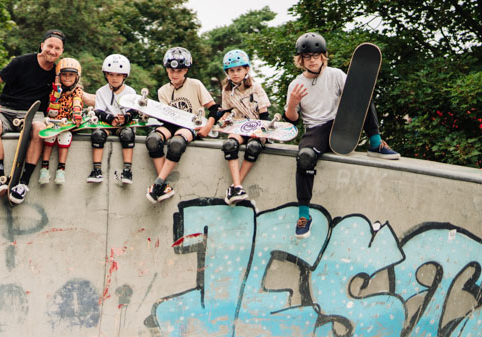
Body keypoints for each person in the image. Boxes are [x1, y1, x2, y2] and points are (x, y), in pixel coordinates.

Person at [285, 32, 400, 237]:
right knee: (304, 158)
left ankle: (375, 143)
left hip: (339, 125)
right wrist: (292, 104)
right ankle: (304, 215)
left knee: (361, 92)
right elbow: (292, 121)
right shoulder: (295, 85)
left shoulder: (335, 74)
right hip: (315, 131)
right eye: (307, 57)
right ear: (300, 60)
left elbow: (355, 97)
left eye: (316, 56)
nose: (312, 60)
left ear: (323, 56)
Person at [0, 30, 65, 204]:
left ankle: (23, 183)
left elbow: (77, 91)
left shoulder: (59, 73)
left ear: (61, 52)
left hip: (33, 114)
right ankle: (0, 178)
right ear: (42, 45)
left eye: (57, 48)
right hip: (6, 110)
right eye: (49, 46)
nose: (52, 51)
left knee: (41, 129)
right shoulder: (22, 62)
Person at [144, 46, 220, 204]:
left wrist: (208, 126)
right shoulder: (163, 91)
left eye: (179, 71)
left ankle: (158, 183)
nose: (175, 74)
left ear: (185, 70)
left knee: (176, 143)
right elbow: (165, 118)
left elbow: (214, 108)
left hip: (191, 125)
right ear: (167, 70)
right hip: (171, 124)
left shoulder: (195, 85)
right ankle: (163, 186)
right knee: (152, 140)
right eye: (171, 71)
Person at [218, 49, 273, 204]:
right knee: (229, 145)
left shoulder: (255, 87)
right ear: (227, 73)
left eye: (239, 70)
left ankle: (235, 186)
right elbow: (226, 110)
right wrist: (223, 118)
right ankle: (237, 187)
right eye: (232, 71)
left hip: (257, 126)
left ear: (246, 70)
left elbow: (264, 113)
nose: (235, 74)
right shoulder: (227, 91)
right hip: (239, 126)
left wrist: (262, 133)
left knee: (253, 147)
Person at [88, 53, 137, 185]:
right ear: (106, 75)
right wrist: (110, 118)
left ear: (124, 76)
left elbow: (133, 111)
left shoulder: (130, 92)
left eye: (118, 75)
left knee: (127, 134)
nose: (114, 78)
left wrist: (125, 118)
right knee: (97, 135)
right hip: (106, 124)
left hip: (123, 125)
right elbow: (98, 111)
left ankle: (127, 171)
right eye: (111, 74)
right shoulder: (101, 92)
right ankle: (96, 170)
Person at [38, 57, 85, 185]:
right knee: (49, 137)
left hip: (67, 123)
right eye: (64, 75)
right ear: (59, 76)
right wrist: (56, 95)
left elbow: (77, 103)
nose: (67, 78)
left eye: (71, 75)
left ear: (77, 77)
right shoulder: (55, 90)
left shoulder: (77, 91)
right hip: (54, 122)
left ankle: (61, 169)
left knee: (65, 137)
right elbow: (52, 111)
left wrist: (76, 115)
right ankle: (44, 168)